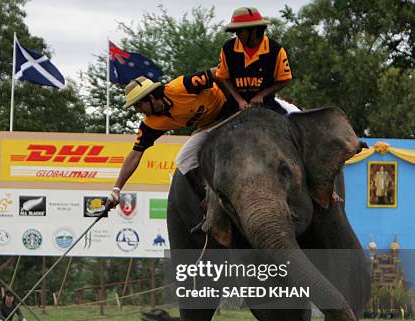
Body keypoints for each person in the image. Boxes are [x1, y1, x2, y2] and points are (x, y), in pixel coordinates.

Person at [107, 70, 228, 208]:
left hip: (229, 109)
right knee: (184, 160)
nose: (137, 110)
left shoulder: (180, 87)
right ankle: (210, 202)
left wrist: (235, 100)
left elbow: (217, 72)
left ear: (150, 97)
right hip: (208, 126)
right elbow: (135, 155)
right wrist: (116, 189)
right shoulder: (151, 123)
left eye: (137, 105)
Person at [215, 7, 292, 115]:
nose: (237, 34)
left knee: (286, 124)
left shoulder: (276, 50)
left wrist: (262, 94)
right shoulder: (228, 48)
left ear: (254, 30)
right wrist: (239, 100)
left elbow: (285, 79)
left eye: (240, 31)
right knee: (215, 129)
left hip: (266, 103)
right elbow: (224, 77)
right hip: (235, 104)